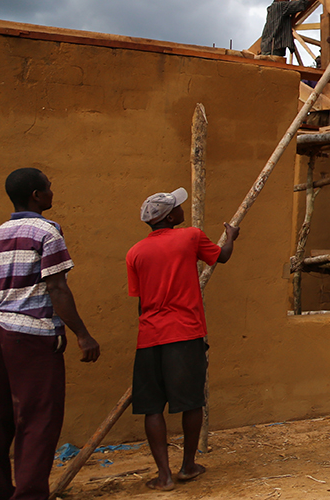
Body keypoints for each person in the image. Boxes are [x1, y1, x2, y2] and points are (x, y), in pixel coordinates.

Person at [0, 168, 100, 500]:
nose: (52, 192)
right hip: (33, 335)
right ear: (36, 195)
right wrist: (82, 333)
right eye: (48, 188)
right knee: (39, 420)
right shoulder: (47, 232)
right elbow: (57, 287)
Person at [127, 187, 239, 491]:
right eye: (177, 206)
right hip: (184, 333)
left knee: (152, 407)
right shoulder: (190, 236)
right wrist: (231, 235)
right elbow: (222, 257)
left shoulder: (135, 252)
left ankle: (163, 476)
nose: (181, 208)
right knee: (191, 402)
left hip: (149, 336)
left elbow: (141, 302)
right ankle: (188, 466)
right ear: (170, 216)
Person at [259, 0, 323, 60]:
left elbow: (290, 22)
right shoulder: (279, 6)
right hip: (272, 49)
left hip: (273, 48)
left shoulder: (278, 10)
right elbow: (302, 3)